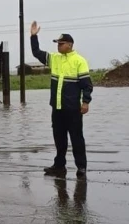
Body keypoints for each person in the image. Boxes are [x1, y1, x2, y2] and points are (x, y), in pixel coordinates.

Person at [30, 21, 93, 179]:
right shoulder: (54, 58)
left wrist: (85, 102)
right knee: (59, 139)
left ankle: (81, 167)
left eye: (61, 43)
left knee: (77, 138)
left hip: (73, 109)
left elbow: (87, 85)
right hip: (57, 108)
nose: (58, 46)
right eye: (57, 43)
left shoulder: (79, 61)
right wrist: (33, 36)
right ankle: (59, 166)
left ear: (69, 45)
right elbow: (36, 52)